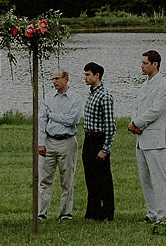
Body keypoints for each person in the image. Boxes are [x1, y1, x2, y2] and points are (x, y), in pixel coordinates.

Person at [128, 50, 166, 228]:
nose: (142, 66)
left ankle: (165, 216)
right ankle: (152, 212)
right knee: (145, 178)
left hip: (156, 139)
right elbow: (137, 106)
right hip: (142, 139)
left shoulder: (164, 86)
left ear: (155, 64)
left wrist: (139, 123)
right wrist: (133, 121)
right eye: (142, 63)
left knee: (159, 178)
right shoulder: (144, 85)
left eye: (145, 63)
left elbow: (156, 110)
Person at [38, 68, 83, 221]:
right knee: (44, 180)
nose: (55, 82)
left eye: (57, 78)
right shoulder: (48, 97)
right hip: (49, 141)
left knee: (67, 179)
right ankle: (41, 213)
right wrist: (41, 143)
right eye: (53, 79)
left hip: (67, 142)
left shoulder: (75, 98)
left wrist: (52, 115)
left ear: (66, 79)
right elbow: (42, 120)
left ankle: (65, 214)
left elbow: (72, 120)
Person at [80, 62, 117, 222]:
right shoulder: (92, 94)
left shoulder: (104, 96)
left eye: (88, 74)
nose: (85, 78)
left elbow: (110, 126)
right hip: (88, 139)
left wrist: (105, 149)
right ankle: (93, 211)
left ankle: (107, 212)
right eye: (85, 74)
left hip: (98, 140)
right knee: (90, 177)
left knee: (103, 179)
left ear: (97, 75)